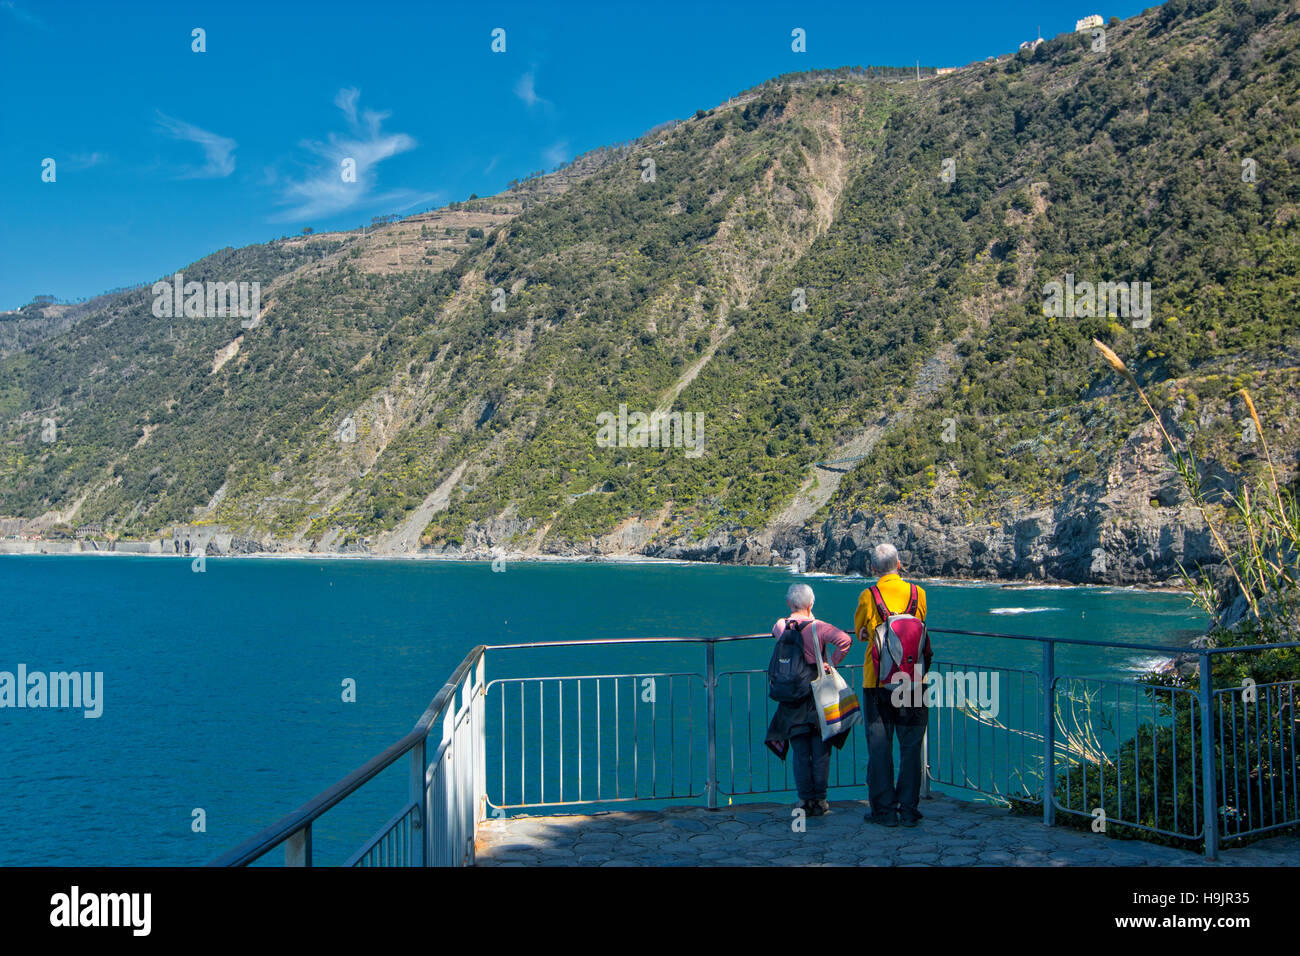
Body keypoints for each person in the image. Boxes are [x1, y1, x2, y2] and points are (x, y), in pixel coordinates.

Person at [854, 542, 932, 828]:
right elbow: (918, 625)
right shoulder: (917, 593)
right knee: (911, 746)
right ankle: (909, 809)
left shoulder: (869, 595)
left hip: (877, 680)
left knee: (879, 746)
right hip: (914, 680)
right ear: (899, 564)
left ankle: (884, 811)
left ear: (873, 569)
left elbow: (862, 632)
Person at [764, 582, 853, 816]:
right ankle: (820, 800)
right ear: (811, 604)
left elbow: (779, 636)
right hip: (817, 696)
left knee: (800, 751)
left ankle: (803, 800)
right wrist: (830, 662)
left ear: (788, 603)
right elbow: (845, 640)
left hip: (791, 697)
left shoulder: (781, 625)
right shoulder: (820, 627)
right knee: (821, 750)